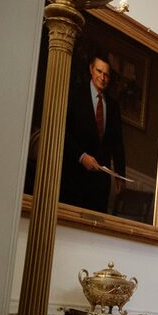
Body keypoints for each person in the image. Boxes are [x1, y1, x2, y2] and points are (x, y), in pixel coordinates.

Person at [61, 52, 126, 213]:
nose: (102, 78)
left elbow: (117, 142)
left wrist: (120, 174)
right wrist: (81, 156)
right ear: (91, 69)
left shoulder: (113, 106)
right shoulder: (74, 94)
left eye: (106, 75)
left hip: (99, 184)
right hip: (73, 177)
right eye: (99, 71)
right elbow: (63, 131)